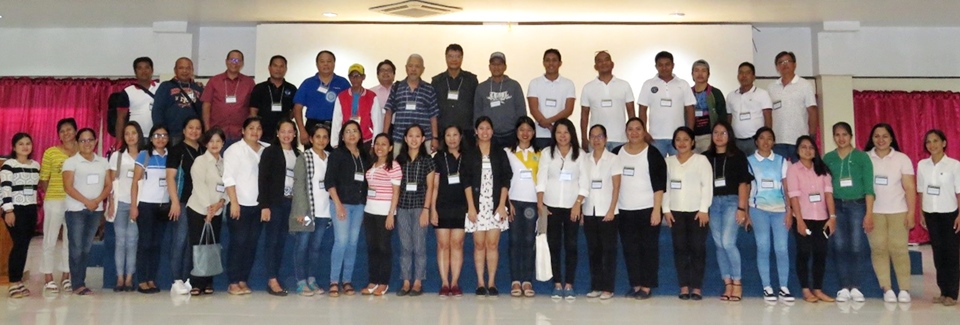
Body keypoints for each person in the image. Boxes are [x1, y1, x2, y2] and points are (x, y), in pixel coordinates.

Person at [536, 118, 589, 300]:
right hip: (551, 207)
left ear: (571, 134)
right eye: (559, 132)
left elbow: (585, 181)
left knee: (571, 245)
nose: (562, 136)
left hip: (572, 207)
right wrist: (541, 204)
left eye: (566, 132)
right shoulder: (546, 153)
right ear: (554, 134)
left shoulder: (580, 154)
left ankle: (569, 284)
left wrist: (578, 204)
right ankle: (557, 283)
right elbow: (541, 179)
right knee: (554, 245)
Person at [614, 117, 666, 299]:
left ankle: (646, 285)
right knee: (630, 248)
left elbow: (660, 185)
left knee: (648, 248)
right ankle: (635, 284)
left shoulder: (653, 154)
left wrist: (656, 210)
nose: (634, 132)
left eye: (638, 129)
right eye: (630, 129)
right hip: (624, 210)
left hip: (648, 209)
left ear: (644, 131)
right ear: (625, 131)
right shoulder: (616, 153)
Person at [864, 123, 915, 303]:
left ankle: (904, 289)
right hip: (874, 212)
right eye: (876, 136)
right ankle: (886, 288)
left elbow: (909, 187)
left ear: (892, 138)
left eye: (885, 136)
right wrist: (867, 213)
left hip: (898, 211)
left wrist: (911, 213)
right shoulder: (865, 158)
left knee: (899, 250)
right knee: (878, 249)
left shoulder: (902, 159)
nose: (881, 140)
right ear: (872, 139)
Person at [823, 122, 874, 303]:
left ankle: (856, 287)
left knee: (856, 246)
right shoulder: (828, 158)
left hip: (857, 205)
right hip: (835, 207)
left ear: (851, 136)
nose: (841, 138)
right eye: (837, 135)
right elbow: (824, 186)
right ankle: (844, 287)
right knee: (839, 246)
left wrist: (869, 213)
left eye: (844, 134)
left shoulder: (862, 157)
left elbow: (869, 187)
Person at [703, 121, 753, 301]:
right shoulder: (705, 157)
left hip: (732, 202)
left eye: (723, 133)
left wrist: (742, 208)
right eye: (715, 132)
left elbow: (743, 184)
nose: (718, 136)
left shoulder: (738, 156)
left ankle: (737, 282)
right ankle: (727, 284)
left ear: (729, 135)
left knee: (728, 242)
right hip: (712, 203)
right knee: (718, 244)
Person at [463, 116, 512, 296]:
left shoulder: (500, 153)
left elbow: (506, 178)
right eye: (481, 128)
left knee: (492, 244)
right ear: (476, 131)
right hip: (476, 204)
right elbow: (466, 181)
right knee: (479, 244)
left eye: (488, 128)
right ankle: (480, 283)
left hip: (495, 204)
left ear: (492, 131)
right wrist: (470, 207)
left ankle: (491, 282)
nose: (484, 132)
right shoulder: (469, 153)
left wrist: (501, 205)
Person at [663, 127, 712, 301]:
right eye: (678, 139)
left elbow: (707, 185)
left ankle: (697, 287)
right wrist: (666, 210)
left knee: (698, 249)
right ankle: (684, 286)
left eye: (685, 139)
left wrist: (704, 209)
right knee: (680, 249)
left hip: (698, 213)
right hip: (676, 212)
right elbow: (665, 188)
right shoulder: (668, 162)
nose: (682, 143)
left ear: (692, 142)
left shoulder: (701, 160)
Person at [745, 127, 794, 301]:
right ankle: (767, 286)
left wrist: (789, 211)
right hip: (758, 210)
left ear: (774, 141)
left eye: (769, 138)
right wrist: (746, 213)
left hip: (780, 210)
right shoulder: (749, 161)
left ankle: (783, 287)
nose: (766, 141)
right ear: (756, 141)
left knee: (781, 248)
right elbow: (746, 188)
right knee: (763, 247)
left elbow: (787, 188)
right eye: (762, 138)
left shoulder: (781, 161)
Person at [787, 135, 836, 303]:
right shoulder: (793, 169)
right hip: (803, 218)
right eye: (803, 147)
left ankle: (818, 289)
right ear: (797, 150)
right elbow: (794, 197)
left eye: (811, 147)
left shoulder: (823, 169)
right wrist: (799, 220)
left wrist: (832, 217)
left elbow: (829, 195)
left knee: (820, 254)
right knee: (804, 253)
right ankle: (806, 290)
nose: (807, 150)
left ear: (815, 151)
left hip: (822, 218)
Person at [62, 128, 111, 295]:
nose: (87, 143)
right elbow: (68, 187)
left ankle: (80, 280)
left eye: (90, 140)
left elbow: (108, 185)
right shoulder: (71, 162)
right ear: (77, 143)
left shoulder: (103, 162)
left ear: (96, 141)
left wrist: (96, 202)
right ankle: (77, 284)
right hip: (76, 209)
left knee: (86, 247)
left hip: (95, 210)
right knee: (76, 247)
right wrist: (87, 202)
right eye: (83, 140)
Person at [223, 117, 267, 295]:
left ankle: (243, 280)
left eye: (258, 128)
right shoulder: (234, 150)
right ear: (243, 130)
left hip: (258, 206)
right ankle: (233, 282)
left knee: (251, 244)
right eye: (251, 128)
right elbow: (228, 177)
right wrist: (233, 202)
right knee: (238, 243)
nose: (255, 131)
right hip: (239, 204)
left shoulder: (267, 149)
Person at [325, 121, 369, 297]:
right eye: (348, 132)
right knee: (341, 241)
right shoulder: (337, 155)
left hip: (359, 205)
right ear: (342, 136)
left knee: (352, 243)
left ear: (360, 135)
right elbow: (330, 181)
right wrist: (338, 204)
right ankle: (334, 281)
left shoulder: (365, 156)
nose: (352, 134)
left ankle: (347, 280)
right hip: (341, 204)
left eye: (355, 131)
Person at [917, 129, 960, 306]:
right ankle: (943, 291)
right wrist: (921, 212)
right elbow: (920, 190)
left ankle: (952, 293)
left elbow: (959, 191)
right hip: (930, 213)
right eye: (928, 142)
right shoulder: (922, 165)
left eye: (935, 141)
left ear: (944, 143)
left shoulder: (954, 165)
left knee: (951, 254)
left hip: (950, 213)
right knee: (938, 254)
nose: (932, 145)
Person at [290, 124, 334, 296]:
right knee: (302, 245)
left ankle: (311, 279)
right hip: (308, 213)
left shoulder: (331, 157)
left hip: (324, 212)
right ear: (311, 139)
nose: (321, 140)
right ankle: (301, 281)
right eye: (318, 136)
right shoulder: (304, 157)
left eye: (325, 137)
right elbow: (299, 185)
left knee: (315, 247)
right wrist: (301, 211)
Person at [258, 119, 300, 296]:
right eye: (283, 131)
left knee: (281, 242)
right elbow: (263, 179)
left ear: (295, 134)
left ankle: (275, 276)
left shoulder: (298, 154)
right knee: (272, 242)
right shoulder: (270, 151)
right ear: (277, 133)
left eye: (290, 131)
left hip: (290, 204)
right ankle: (272, 279)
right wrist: (265, 205)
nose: (286, 135)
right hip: (274, 203)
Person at [581, 124, 622, 300]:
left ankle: (608, 288)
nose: (596, 140)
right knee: (593, 250)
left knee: (608, 251)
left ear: (605, 139)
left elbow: (616, 186)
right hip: (590, 211)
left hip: (608, 211)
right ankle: (596, 286)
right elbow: (582, 186)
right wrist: (582, 210)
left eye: (599, 136)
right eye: (593, 136)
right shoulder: (584, 159)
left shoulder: (614, 159)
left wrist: (612, 209)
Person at [395, 125, 436, 296]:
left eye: (417, 136)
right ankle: (406, 281)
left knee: (419, 245)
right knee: (405, 246)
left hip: (420, 207)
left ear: (423, 139)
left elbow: (431, 187)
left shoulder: (428, 161)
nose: (413, 139)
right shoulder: (398, 160)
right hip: (402, 207)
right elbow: (395, 186)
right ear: (405, 139)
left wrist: (427, 209)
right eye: (410, 135)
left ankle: (418, 282)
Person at [165, 117, 204, 295]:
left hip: (200, 203)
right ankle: (176, 280)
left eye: (197, 128)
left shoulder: (204, 150)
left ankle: (188, 278)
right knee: (179, 241)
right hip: (182, 201)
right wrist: (174, 201)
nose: (194, 131)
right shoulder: (176, 150)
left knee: (192, 242)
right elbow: (170, 177)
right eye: (190, 128)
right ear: (183, 130)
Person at [186, 127, 228, 295]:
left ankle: (208, 282)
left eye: (218, 141)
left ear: (223, 143)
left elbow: (229, 186)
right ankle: (196, 282)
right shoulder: (200, 161)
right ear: (206, 143)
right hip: (198, 210)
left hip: (217, 211)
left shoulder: (225, 163)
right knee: (198, 246)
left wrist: (220, 204)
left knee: (212, 246)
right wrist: (207, 209)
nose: (215, 144)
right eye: (211, 141)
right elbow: (199, 186)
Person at [131, 125, 173, 294]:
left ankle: (151, 279)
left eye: (164, 135)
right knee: (145, 244)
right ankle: (141, 280)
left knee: (157, 244)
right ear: (151, 138)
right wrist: (134, 206)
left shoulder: (171, 156)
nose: (160, 138)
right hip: (146, 205)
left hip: (164, 206)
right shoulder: (144, 155)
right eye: (157, 135)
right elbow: (134, 182)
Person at [39, 118, 77, 294]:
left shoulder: (82, 152)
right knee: (50, 239)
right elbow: (44, 178)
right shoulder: (51, 153)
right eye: (62, 131)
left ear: (75, 131)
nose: (66, 133)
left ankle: (66, 275)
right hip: (54, 200)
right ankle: (48, 276)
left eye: (69, 129)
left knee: (70, 241)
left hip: (75, 202)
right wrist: (53, 195)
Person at [505, 117, 541, 297]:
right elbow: (503, 180)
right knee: (514, 241)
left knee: (529, 241)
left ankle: (527, 281)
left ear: (533, 133)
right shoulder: (508, 153)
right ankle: (515, 281)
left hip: (532, 203)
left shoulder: (540, 154)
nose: (525, 133)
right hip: (513, 203)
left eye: (529, 130)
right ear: (516, 132)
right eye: (521, 130)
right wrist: (506, 202)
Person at [363, 133, 402, 296]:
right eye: (377, 144)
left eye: (384, 144)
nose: (380, 147)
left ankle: (383, 283)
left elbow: (396, 193)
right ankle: (373, 281)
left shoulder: (393, 166)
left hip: (384, 212)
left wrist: (391, 214)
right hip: (369, 211)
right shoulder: (371, 165)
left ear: (391, 147)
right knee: (372, 248)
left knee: (384, 248)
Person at [105, 122, 143, 292]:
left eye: (133, 133)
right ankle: (120, 278)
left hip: (138, 204)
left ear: (139, 135)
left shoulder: (145, 155)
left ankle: (130, 278)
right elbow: (111, 181)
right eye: (127, 133)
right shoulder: (117, 156)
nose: (130, 137)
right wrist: (111, 202)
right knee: (120, 241)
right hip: (120, 203)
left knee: (133, 241)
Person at [2, 133, 40, 298]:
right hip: (14, 209)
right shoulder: (9, 165)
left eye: (28, 143)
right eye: (21, 144)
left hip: (30, 208)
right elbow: (4, 189)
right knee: (18, 245)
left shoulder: (36, 165)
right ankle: (13, 282)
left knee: (24, 246)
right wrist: (8, 210)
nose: (25, 147)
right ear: (14, 147)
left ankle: (19, 282)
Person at [638, 51, 697, 157]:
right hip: (655, 138)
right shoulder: (648, 84)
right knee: (657, 169)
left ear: (673, 65)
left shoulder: (683, 84)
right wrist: (644, 132)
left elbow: (690, 109)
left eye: (667, 64)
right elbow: (642, 109)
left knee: (679, 168)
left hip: (679, 138)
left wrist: (689, 132)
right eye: (660, 65)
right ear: (656, 66)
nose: (664, 68)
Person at [431, 125, 467, 297]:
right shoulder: (438, 157)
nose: (452, 138)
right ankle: (445, 283)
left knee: (457, 244)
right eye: (448, 135)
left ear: (460, 137)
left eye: (455, 135)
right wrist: (432, 209)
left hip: (462, 206)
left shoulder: (468, 157)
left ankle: (455, 283)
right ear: (443, 138)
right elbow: (434, 186)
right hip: (442, 206)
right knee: (443, 244)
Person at [383, 54, 440, 154]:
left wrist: (434, 137)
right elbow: (389, 111)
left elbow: (433, 115)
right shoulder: (397, 87)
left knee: (423, 168)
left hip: (424, 140)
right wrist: (384, 135)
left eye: (417, 66)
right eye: (410, 66)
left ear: (423, 69)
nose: (413, 69)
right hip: (399, 139)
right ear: (406, 68)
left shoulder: (429, 89)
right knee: (397, 168)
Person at [768, 51, 818, 162]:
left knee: (801, 173)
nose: (784, 64)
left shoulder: (805, 85)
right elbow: (769, 114)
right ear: (777, 67)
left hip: (799, 140)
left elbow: (812, 111)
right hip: (778, 140)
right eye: (781, 62)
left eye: (788, 61)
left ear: (795, 64)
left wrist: (812, 135)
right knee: (779, 174)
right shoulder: (772, 87)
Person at [580, 51, 635, 151]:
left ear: (612, 64)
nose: (603, 63)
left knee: (619, 167)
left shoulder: (624, 85)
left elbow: (631, 113)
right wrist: (584, 138)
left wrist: (632, 135)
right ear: (595, 66)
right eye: (599, 61)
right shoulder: (588, 88)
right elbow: (584, 116)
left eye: (606, 60)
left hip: (620, 139)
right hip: (597, 140)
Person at [293, 50, 350, 144]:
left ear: (334, 63)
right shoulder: (308, 83)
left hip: (335, 127)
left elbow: (350, 107)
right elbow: (297, 108)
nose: (326, 64)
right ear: (317, 64)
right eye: (322, 61)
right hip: (312, 126)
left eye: (329, 61)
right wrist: (302, 131)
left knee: (336, 157)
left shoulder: (343, 83)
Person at [474, 52, 526, 149]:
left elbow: (521, 111)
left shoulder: (514, 86)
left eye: (499, 64)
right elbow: (477, 112)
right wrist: (477, 135)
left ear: (505, 67)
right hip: (489, 136)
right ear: (489, 67)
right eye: (493, 64)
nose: (496, 67)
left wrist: (521, 132)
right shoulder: (481, 88)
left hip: (511, 135)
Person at [201, 50, 255, 142]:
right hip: (217, 134)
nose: (235, 63)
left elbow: (253, 108)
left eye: (238, 60)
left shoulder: (249, 82)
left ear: (242, 63)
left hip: (240, 134)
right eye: (232, 60)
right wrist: (207, 129)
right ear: (226, 61)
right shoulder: (214, 81)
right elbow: (206, 105)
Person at [528, 49, 576, 150]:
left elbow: (569, 110)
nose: (551, 63)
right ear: (543, 63)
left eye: (554, 60)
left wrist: (550, 124)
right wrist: (549, 126)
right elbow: (533, 109)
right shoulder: (534, 83)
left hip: (561, 136)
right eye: (547, 60)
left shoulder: (568, 84)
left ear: (560, 63)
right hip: (539, 135)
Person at [433, 44, 479, 148]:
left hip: (467, 132)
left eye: (457, 56)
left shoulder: (471, 80)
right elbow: (433, 109)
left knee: (467, 162)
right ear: (446, 57)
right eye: (450, 56)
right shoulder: (437, 81)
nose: (454, 59)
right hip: (443, 132)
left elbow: (477, 107)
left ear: (462, 58)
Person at [152, 57, 204, 145]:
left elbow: (203, 111)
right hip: (173, 135)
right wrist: (162, 133)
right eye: (181, 68)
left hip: (194, 135)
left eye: (188, 68)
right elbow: (157, 110)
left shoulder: (199, 88)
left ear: (192, 70)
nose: (185, 71)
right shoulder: (165, 86)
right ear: (175, 70)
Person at [332, 63, 383, 150]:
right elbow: (337, 121)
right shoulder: (341, 96)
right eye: (352, 76)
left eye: (358, 75)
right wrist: (335, 143)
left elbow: (377, 122)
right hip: (346, 141)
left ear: (363, 77)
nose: (355, 78)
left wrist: (375, 144)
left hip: (366, 141)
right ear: (349, 77)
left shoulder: (372, 96)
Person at [726, 62, 772, 154]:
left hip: (755, 141)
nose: (744, 75)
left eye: (747, 73)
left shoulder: (762, 94)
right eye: (741, 72)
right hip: (736, 141)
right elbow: (729, 118)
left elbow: (768, 117)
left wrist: (767, 138)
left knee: (755, 168)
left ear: (754, 76)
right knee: (739, 167)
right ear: (738, 76)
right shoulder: (731, 96)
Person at [250, 55, 298, 143]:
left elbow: (295, 109)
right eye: (275, 66)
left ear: (285, 69)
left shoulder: (291, 88)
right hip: (263, 134)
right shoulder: (259, 88)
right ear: (269, 68)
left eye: (281, 66)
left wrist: (286, 119)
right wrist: (256, 129)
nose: (278, 69)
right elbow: (253, 111)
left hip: (284, 134)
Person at [114, 57, 159, 147]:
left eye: (147, 67)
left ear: (152, 70)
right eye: (140, 68)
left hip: (157, 137)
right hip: (135, 138)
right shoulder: (127, 92)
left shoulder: (161, 88)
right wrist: (119, 142)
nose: (144, 71)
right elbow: (120, 118)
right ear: (135, 72)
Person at [690, 60, 727, 153]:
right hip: (691, 137)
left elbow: (722, 117)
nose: (700, 73)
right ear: (692, 74)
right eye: (697, 70)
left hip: (709, 136)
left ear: (708, 74)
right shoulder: (687, 93)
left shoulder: (715, 93)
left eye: (703, 71)